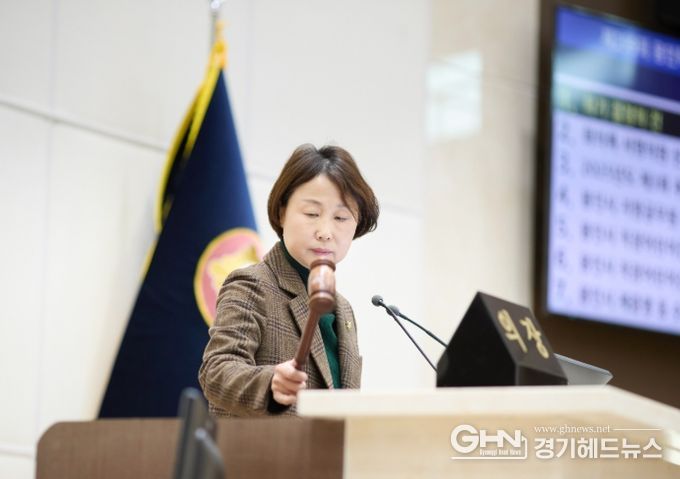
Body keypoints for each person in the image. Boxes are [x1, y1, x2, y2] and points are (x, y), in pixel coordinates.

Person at [199, 144, 379, 417]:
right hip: (263, 445)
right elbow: (216, 371)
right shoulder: (252, 285)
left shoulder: (343, 310)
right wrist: (270, 382)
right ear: (282, 212)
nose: (325, 232)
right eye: (312, 214)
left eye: (341, 217)